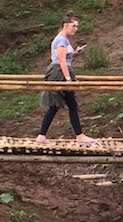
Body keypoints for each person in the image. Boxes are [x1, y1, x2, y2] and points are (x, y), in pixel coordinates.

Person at [36, 12, 97, 146]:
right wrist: (68, 79)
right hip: (59, 73)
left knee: (64, 106)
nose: (76, 28)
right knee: (64, 105)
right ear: (65, 25)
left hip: (61, 72)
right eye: (73, 26)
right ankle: (78, 136)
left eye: (76, 26)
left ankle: (43, 136)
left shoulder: (63, 40)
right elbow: (62, 61)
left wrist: (75, 52)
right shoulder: (61, 40)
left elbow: (64, 58)